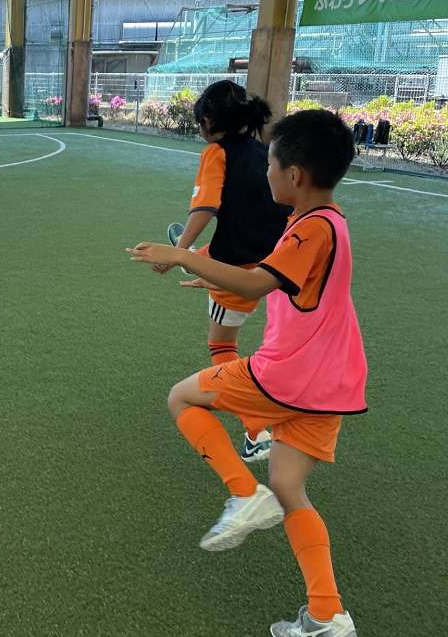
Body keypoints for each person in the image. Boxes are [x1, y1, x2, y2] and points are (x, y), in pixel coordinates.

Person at [127, 109, 365, 637]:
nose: (266, 173)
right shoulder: (325, 221)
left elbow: (257, 283)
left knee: (182, 398)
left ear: (294, 174)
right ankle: (327, 615)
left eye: (271, 166)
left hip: (291, 374)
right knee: (288, 486)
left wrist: (181, 256)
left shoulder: (311, 230)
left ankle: (242, 491)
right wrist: (213, 274)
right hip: (330, 384)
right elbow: (270, 276)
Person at [162, 80, 288, 462]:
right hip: (277, 263)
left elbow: (206, 207)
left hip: (238, 265)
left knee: (221, 344)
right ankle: (198, 257)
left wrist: (176, 254)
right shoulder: (266, 152)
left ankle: (256, 430)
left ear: (208, 120)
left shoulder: (216, 153)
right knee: (206, 256)